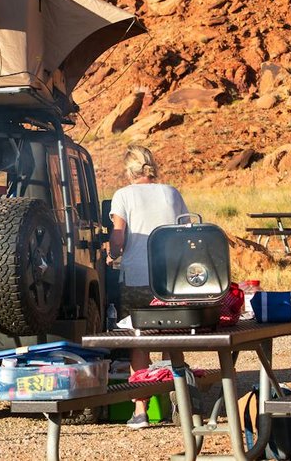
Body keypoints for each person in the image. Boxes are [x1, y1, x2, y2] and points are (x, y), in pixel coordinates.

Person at [109, 145, 188, 429]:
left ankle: (141, 410)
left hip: (138, 278)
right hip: (173, 280)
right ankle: (179, 403)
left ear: (130, 171)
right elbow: (187, 231)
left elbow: (118, 241)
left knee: (139, 341)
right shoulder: (172, 193)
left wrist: (110, 253)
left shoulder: (123, 195)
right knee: (173, 338)